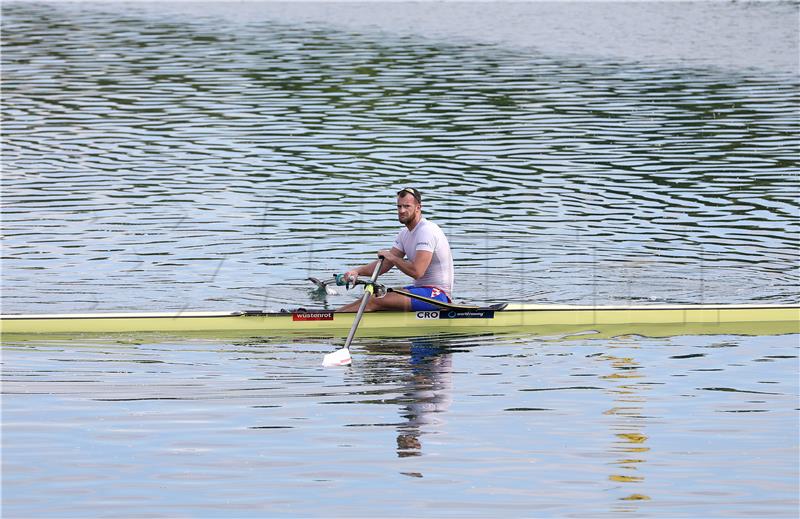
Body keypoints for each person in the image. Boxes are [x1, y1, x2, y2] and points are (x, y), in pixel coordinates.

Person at [337, 187, 453, 312]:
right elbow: (385, 265)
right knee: (372, 296)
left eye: (407, 206)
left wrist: (392, 257)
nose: (402, 210)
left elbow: (417, 272)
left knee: (373, 301)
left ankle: (331, 320)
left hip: (437, 296)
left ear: (418, 207)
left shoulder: (427, 231)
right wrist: (357, 271)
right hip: (421, 291)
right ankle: (332, 315)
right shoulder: (404, 234)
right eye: (399, 207)